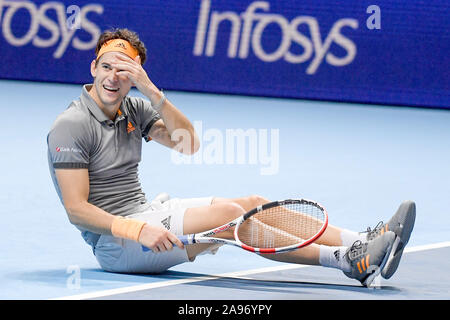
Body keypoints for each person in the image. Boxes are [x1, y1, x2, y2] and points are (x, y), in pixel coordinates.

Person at [47, 28, 415, 287]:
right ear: (93, 67)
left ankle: (360, 240)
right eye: (107, 67)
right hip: (117, 245)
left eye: (124, 72)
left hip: (145, 215)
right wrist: (137, 229)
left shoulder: (135, 107)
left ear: (135, 77)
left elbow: (187, 144)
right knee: (229, 218)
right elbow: (76, 209)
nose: (113, 78)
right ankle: (347, 261)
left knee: (253, 202)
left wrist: (150, 90)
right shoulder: (72, 125)